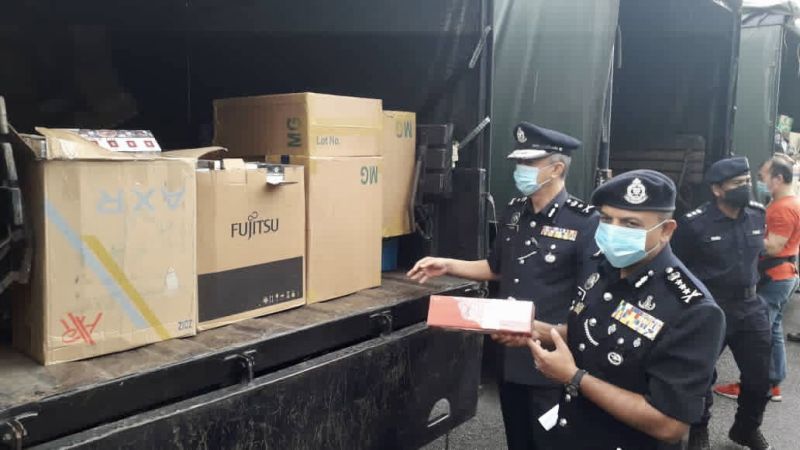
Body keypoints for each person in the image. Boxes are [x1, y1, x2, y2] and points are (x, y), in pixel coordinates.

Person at [498, 170, 725, 449]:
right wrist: (539, 331)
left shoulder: (691, 308)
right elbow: (596, 335)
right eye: (606, 219)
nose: (614, 230)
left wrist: (573, 377)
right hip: (572, 432)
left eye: (630, 223)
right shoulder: (602, 267)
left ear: (666, 231)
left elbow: (669, 424)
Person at [407, 122, 599, 450]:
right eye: (518, 163)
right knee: (519, 442)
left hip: (552, 364)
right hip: (511, 362)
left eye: (528, 164)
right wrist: (448, 265)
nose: (519, 171)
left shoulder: (585, 221)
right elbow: (496, 269)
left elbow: (592, 308)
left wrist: (541, 332)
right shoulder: (514, 213)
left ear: (556, 169)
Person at [672, 157, 772, 450]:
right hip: (711, 308)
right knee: (701, 375)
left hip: (751, 305)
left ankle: (745, 429)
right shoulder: (694, 224)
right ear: (718, 189)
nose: (746, 187)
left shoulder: (757, 214)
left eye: (747, 181)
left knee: (760, 377)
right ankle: (699, 429)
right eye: (738, 184)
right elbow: (678, 270)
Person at [756, 154, 800, 399]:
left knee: (759, 333)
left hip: (776, 277)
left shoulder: (783, 209)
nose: (760, 180)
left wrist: (748, 237)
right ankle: (773, 383)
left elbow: (773, 247)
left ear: (778, 178)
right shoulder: (789, 203)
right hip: (785, 276)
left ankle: (757, 385)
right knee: (772, 330)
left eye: (763, 176)